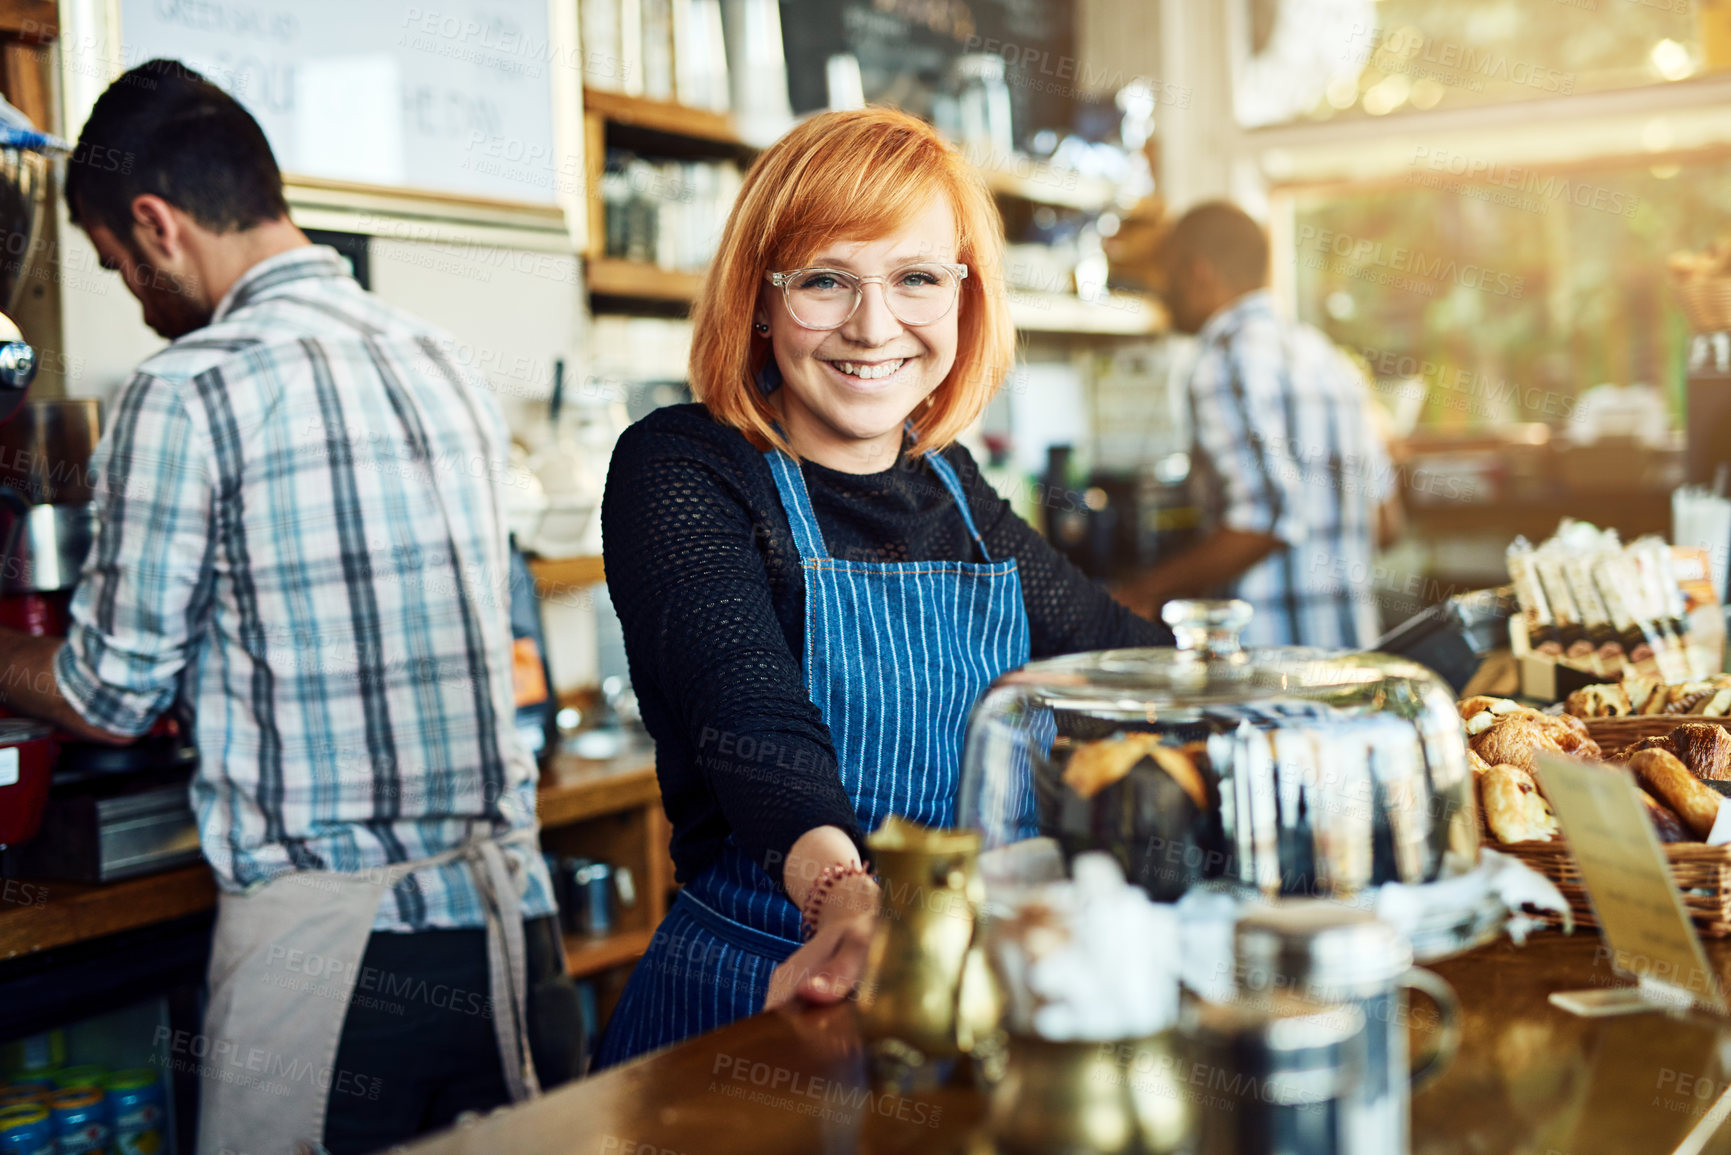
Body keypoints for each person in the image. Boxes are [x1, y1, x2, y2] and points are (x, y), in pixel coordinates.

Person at [0, 60, 578, 1154]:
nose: (134, 295)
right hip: (512, 924)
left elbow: (109, 694)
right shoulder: (440, 357)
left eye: (119, 266)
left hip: (334, 960)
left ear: (158, 225)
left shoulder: (189, 388)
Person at [596, 107, 1175, 1066]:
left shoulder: (950, 483)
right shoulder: (683, 467)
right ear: (761, 299)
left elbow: (1118, 660)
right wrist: (847, 899)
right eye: (826, 280)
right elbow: (754, 723)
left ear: (965, 296)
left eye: (915, 278)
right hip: (769, 994)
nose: (874, 325)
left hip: (954, 992)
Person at [1115, 201, 1403, 649]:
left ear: (1198, 272)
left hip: (1269, 679)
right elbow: (1387, 524)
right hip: (1351, 671)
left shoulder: (1224, 359)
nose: (1161, 291)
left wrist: (1144, 590)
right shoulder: (1328, 359)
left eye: (1165, 274)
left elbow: (1268, 515)